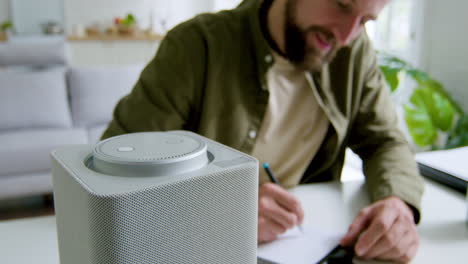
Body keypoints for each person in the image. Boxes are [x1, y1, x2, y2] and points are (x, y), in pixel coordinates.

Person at [102, 0, 425, 262]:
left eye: (366, 21)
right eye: (341, 5)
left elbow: (384, 140)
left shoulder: (354, 52)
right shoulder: (197, 45)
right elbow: (112, 173)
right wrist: (223, 209)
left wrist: (398, 203)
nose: (345, 36)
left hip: (310, 243)